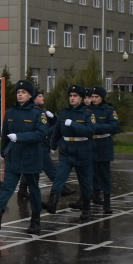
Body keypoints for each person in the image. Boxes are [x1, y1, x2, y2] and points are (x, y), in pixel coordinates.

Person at [0, 80, 48, 233]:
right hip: (14, 155)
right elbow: (5, 135)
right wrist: (4, 152)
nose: (20, 95)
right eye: (18, 92)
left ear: (30, 95)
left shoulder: (37, 113)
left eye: (24, 92)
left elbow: (41, 133)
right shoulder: (10, 112)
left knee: (33, 188)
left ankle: (35, 221)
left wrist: (20, 137)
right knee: (7, 187)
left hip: (31, 156)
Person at [42, 85, 96, 219]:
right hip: (66, 149)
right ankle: (52, 203)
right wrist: (53, 145)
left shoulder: (88, 113)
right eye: (71, 96)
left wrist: (73, 124)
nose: (72, 98)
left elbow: (90, 131)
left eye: (75, 96)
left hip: (82, 149)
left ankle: (86, 208)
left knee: (84, 180)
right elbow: (58, 129)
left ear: (82, 98)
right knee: (59, 177)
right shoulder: (64, 112)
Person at [17, 89, 76, 199]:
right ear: (33, 98)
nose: (42, 98)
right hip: (39, 144)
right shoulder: (34, 111)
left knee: (29, 167)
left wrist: (52, 117)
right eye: (39, 96)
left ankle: (22, 190)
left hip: (41, 143)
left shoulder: (42, 110)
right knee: (50, 168)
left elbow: (56, 123)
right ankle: (62, 188)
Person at [88, 85, 120, 214]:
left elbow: (114, 126)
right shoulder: (87, 110)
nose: (94, 99)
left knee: (104, 175)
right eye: (92, 97)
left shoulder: (108, 111)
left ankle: (107, 201)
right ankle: (91, 198)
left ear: (102, 97)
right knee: (89, 174)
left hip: (103, 145)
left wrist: (96, 127)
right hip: (90, 144)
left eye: (96, 97)